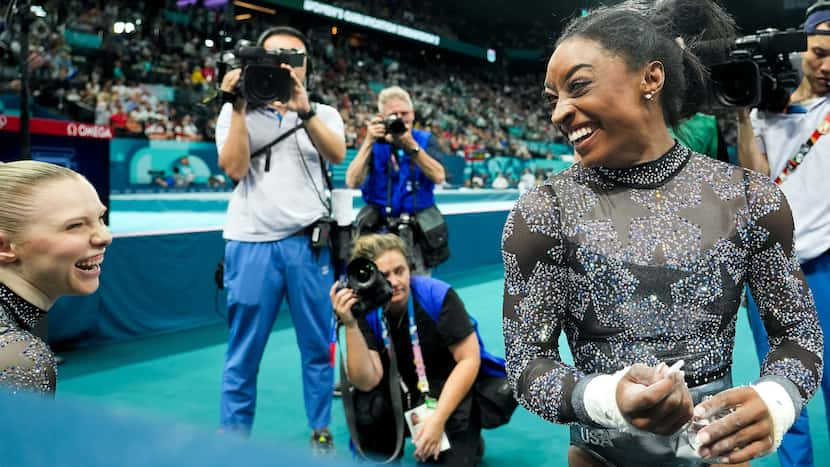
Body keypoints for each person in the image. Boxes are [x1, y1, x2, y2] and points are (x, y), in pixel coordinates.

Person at [501, 1, 824, 466]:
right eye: (554, 99)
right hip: (600, 457)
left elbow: (798, 335)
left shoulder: (749, 198)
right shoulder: (543, 213)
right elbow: (527, 365)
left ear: (651, 79)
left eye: (578, 87)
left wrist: (776, 398)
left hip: (717, 453)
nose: (560, 113)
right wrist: (610, 398)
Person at [215, 25, 346, 453]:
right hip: (250, 242)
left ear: (307, 67)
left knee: (316, 345)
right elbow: (233, 169)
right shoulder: (237, 112)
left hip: (308, 245)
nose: (287, 65)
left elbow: (336, 154)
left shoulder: (323, 113)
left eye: (296, 57)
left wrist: (303, 110)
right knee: (242, 353)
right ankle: (233, 441)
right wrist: (236, 105)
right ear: (257, 63)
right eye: (276, 58)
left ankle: (320, 429)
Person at [736, 2, 830, 465]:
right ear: (801, 49)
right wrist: (742, 115)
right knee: (783, 386)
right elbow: (759, 181)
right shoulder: (766, 112)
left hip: (827, 267)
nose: (829, 65)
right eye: (820, 52)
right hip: (772, 271)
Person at [330, 233, 482, 465]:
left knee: (452, 460)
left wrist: (438, 419)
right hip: (395, 390)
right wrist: (350, 324)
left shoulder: (437, 295)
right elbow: (366, 381)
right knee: (368, 404)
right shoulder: (364, 307)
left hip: (442, 389)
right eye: (384, 275)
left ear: (409, 268)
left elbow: (469, 360)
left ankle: (468, 435)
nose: (395, 282)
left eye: (400, 271)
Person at [0, 160, 112, 395]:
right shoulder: (18, 358)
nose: (105, 236)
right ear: (4, 246)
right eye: (75, 226)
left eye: (101, 218)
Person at [345, 86, 446, 275]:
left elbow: (439, 176)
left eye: (404, 113)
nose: (400, 118)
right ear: (382, 117)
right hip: (379, 230)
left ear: (413, 115)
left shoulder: (425, 140)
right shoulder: (375, 142)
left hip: (415, 232)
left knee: (416, 288)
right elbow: (352, 181)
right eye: (394, 114)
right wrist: (368, 142)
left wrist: (411, 146)